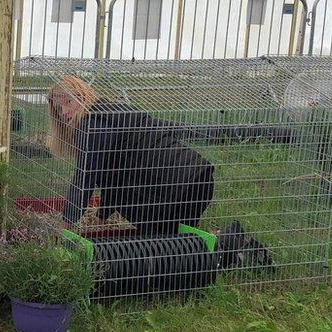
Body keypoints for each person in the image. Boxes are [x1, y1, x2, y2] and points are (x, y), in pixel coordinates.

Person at [48, 75, 215, 236]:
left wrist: (66, 224)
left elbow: (85, 178)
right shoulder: (110, 111)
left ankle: (224, 247)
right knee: (180, 241)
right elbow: (113, 175)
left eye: (68, 102)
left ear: (82, 96)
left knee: (160, 246)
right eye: (58, 108)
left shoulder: (91, 124)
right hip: (199, 179)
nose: (63, 112)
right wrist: (102, 216)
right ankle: (224, 246)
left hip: (173, 189)